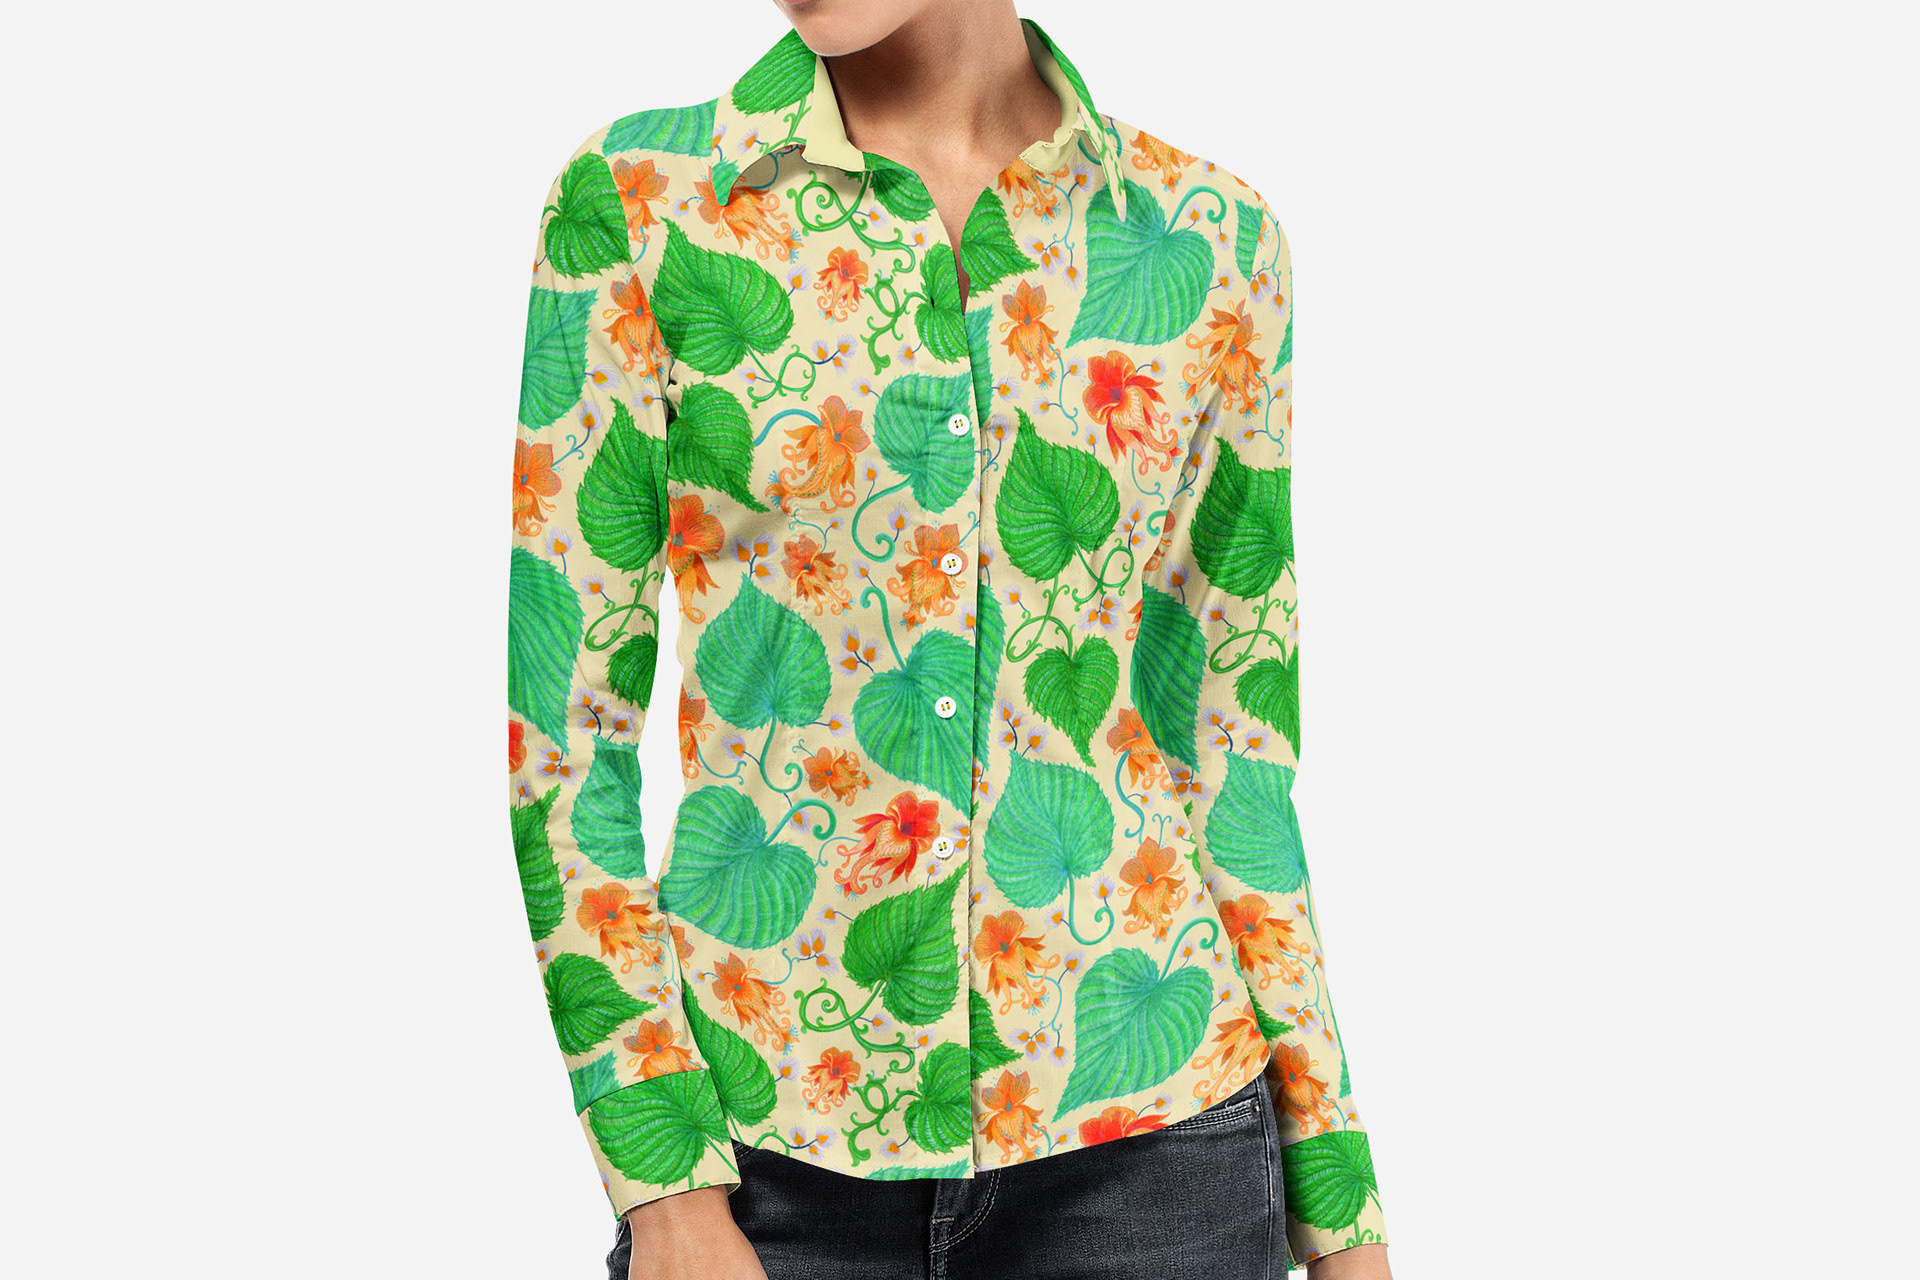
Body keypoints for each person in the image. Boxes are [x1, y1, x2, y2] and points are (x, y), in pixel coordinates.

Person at [505, 2, 1393, 1277]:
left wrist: (1343, 1206)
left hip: (1158, 1157)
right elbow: (563, 745)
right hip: (761, 1160)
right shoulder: (642, 203)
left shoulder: (1212, 239)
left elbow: (1233, 748)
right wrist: (664, 1186)